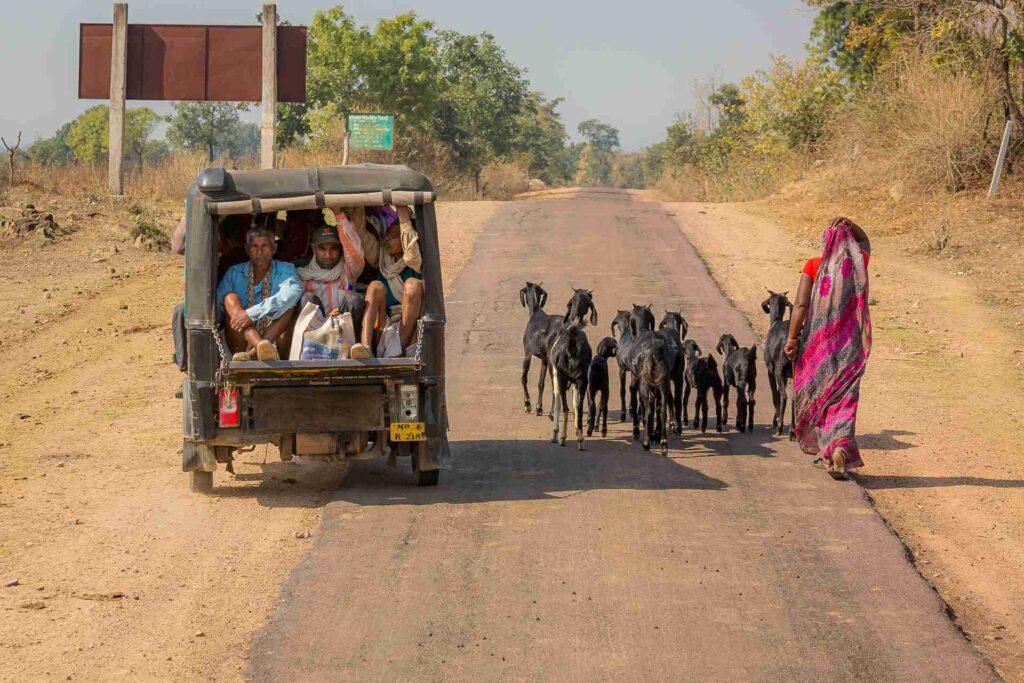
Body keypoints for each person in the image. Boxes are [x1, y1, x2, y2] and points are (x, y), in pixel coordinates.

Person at [784, 217, 872, 480]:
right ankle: (840, 450)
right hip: (849, 346)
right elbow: (866, 242)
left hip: (817, 345)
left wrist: (791, 338)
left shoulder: (813, 265)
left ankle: (827, 449)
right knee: (845, 397)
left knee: (820, 396)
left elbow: (800, 306)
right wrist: (853, 224)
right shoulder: (856, 264)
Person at [216, 226, 303, 361]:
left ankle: (254, 354)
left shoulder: (285, 269)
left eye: (265, 246)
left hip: (276, 340)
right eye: (254, 246)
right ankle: (260, 346)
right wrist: (239, 314)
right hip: (239, 344)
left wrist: (251, 314)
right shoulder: (234, 273)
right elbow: (218, 307)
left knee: (289, 306)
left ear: (274, 248)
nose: (260, 251)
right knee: (229, 298)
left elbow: (292, 294)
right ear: (247, 250)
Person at [350, 205, 424, 359]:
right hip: (385, 322)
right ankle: (365, 346)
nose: (386, 239)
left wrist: (402, 212)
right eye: (387, 235)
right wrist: (358, 209)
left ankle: (399, 351)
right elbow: (363, 238)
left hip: (407, 326)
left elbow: (411, 254)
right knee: (375, 287)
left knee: (413, 285)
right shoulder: (383, 258)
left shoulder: (416, 262)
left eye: (394, 236)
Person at [296, 214, 366, 336]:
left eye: (333, 249)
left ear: (340, 250)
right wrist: (327, 319)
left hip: (345, 331)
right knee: (307, 298)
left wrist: (340, 216)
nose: (328, 255)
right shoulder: (303, 275)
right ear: (314, 249)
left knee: (355, 299)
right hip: (315, 336)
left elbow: (355, 252)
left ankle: (356, 349)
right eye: (322, 249)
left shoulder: (347, 271)